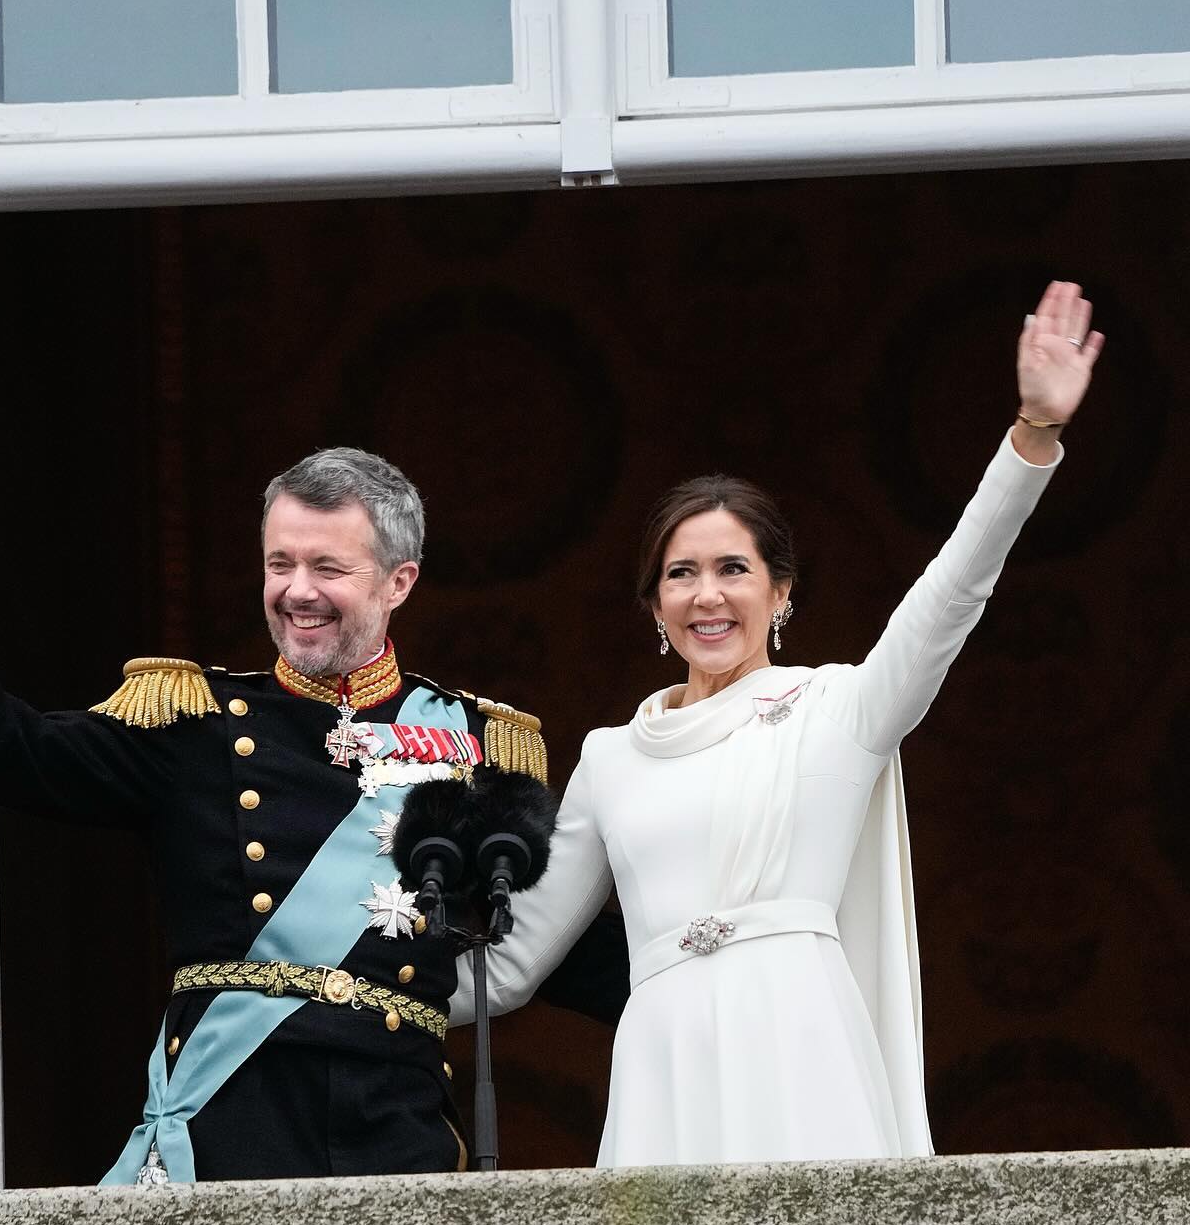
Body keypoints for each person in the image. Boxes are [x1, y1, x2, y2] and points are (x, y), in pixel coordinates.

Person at [0, 446, 626, 1184]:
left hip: (398, 1125)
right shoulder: (196, 722)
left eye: (327, 567)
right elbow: (10, 751)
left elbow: (570, 944)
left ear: (398, 582)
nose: (297, 591)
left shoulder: (478, 747)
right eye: (280, 563)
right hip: (228, 1121)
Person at [454, 281, 1103, 1167]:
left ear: (780, 591)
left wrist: (1033, 437)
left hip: (803, 1047)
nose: (707, 595)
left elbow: (953, 595)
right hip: (665, 1065)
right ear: (654, 604)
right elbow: (518, 957)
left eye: (733, 568)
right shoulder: (610, 760)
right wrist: (337, 990)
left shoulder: (839, 710)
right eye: (681, 574)